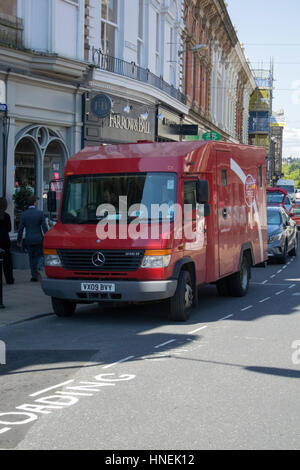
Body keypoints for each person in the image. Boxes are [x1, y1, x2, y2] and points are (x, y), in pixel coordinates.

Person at [17, 195, 48, 282]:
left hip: (29, 239)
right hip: (38, 239)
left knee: (31, 258)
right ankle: (38, 267)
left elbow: (20, 229)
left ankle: (34, 276)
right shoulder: (40, 213)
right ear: (34, 202)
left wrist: (19, 240)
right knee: (41, 255)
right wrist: (47, 237)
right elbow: (44, 227)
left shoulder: (24, 214)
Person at [0, 197, 14, 284]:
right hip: (5, 240)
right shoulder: (7, 216)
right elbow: (9, 229)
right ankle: (9, 279)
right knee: (7, 262)